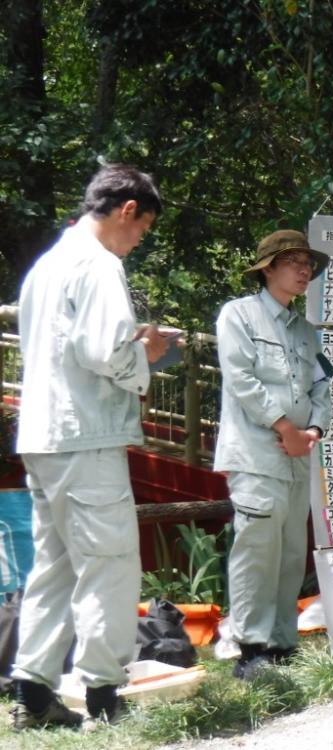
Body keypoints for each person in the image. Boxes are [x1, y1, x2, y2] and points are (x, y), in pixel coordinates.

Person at [11, 164, 168, 729]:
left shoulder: (46, 265)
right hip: (87, 435)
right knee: (109, 563)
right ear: (127, 211)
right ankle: (104, 694)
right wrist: (145, 354)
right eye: (142, 228)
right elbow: (106, 352)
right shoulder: (99, 265)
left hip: (42, 437)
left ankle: (32, 691)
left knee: (53, 567)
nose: (138, 239)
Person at [214, 229, 331, 679]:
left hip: (299, 454)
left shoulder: (307, 331)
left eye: (309, 264)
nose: (305, 270)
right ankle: (249, 647)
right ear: (268, 268)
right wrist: (286, 428)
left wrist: (314, 429)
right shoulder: (238, 316)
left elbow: (324, 386)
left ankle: (282, 644)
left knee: (288, 550)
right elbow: (241, 379)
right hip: (255, 452)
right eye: (294, 261)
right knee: (257, 549)